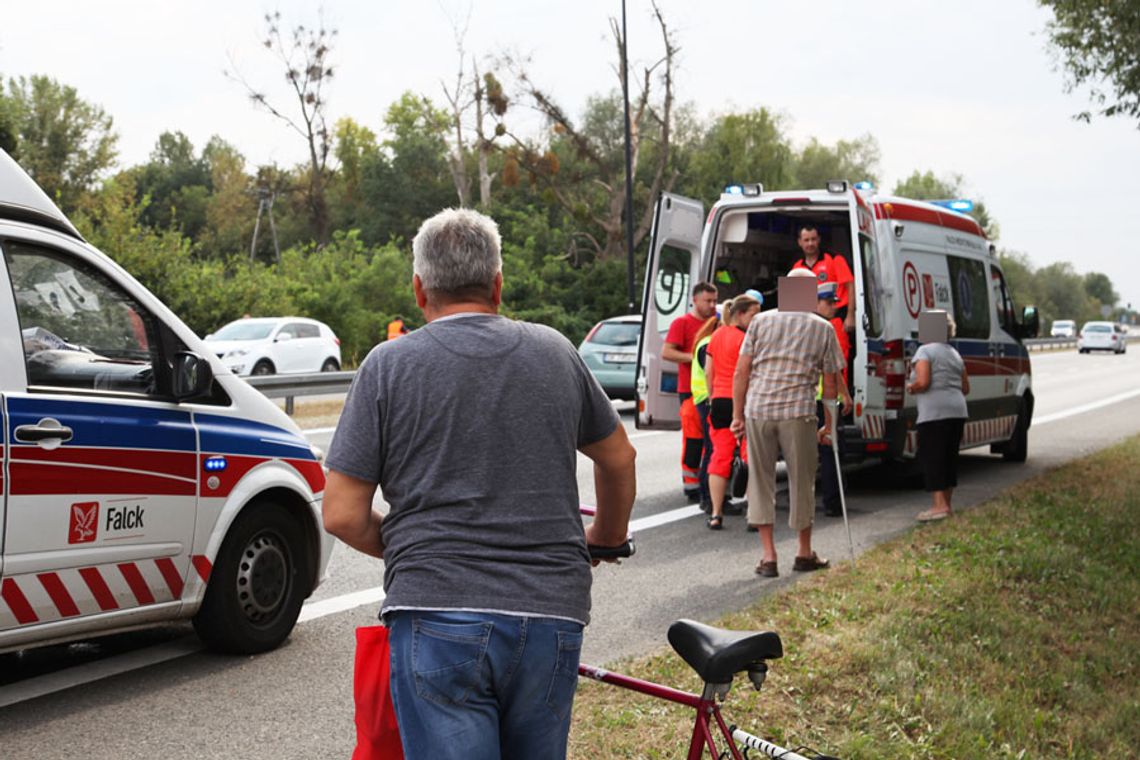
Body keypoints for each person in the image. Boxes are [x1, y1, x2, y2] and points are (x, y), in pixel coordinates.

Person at [321, 208, 636, 760]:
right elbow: (618, 459)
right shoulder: (555, 352)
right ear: (497, 284)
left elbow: (343, 514)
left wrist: (418, 550)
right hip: (551, 612)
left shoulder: (387, 366)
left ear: (420, 289)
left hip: (436, 612)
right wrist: (606, 539)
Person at [731, 271, 844, 578]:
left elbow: (742, 372)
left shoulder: (760, 321)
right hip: (799, 412)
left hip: (760, 410)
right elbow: (830, 382)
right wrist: (829, 424)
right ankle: (804, 552)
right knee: (801, 481)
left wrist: (737, 416)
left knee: (761, 482)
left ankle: (769, 557)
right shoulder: (823, 327)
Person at [906, 310, 970, 522]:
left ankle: (938, 506)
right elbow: (965, 387)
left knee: (932, 458)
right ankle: (947, 506)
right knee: (949, 458)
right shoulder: (954, 353)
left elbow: (924, 382)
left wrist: (911, 387)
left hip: (935, 413)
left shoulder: (924, 351)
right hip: (957, 411)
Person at [704, 294, 761, 528]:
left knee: (720, 456)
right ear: (740, 314)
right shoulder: (748, 339)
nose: (757, 319)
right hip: (744, 402)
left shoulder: (716, 335)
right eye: (753, 315)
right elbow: (749, 373)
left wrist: (712, 395)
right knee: (751, 456)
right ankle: (752, 514)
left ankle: (716, 514)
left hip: (719, 402)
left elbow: (709, 371)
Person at [661, 281, 719, 501]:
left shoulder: (716, 323)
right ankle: (691, 484)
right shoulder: (682, 323)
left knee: (709, 438)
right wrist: (698, 358)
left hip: (710, 391)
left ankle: (703, 480)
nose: (712, 305)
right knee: (694, 439)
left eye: (715, 301)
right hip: (691, 391)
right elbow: (667, 352)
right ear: (695, 300)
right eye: (708, 301)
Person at [814, 282, 853, 517]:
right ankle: (833, 503)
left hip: (807, 398)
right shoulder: (824, 328)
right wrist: (844, 393)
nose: (833, 307)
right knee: (830, 450)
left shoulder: (803, 325)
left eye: (834, 303)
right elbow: (834, 368)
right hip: (821, 399)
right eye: (828, 303)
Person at [789, 225, 856, 332]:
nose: (810, 243)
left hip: (836, 317)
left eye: (813, 239)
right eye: (806, 240)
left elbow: (851, 286)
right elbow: (794, 300)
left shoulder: (835, 259)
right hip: (810, 320)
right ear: (799, 242)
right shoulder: (797, 266)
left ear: (819, 240)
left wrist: (851, 315)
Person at [689, 312, 721, 514]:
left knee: (714, 449)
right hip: (708, 400)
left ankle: (713, 497)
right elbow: (713, 372)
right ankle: (707, 497)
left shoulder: (707, 341)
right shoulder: (708, 343)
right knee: (711, 449)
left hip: (708, 399)